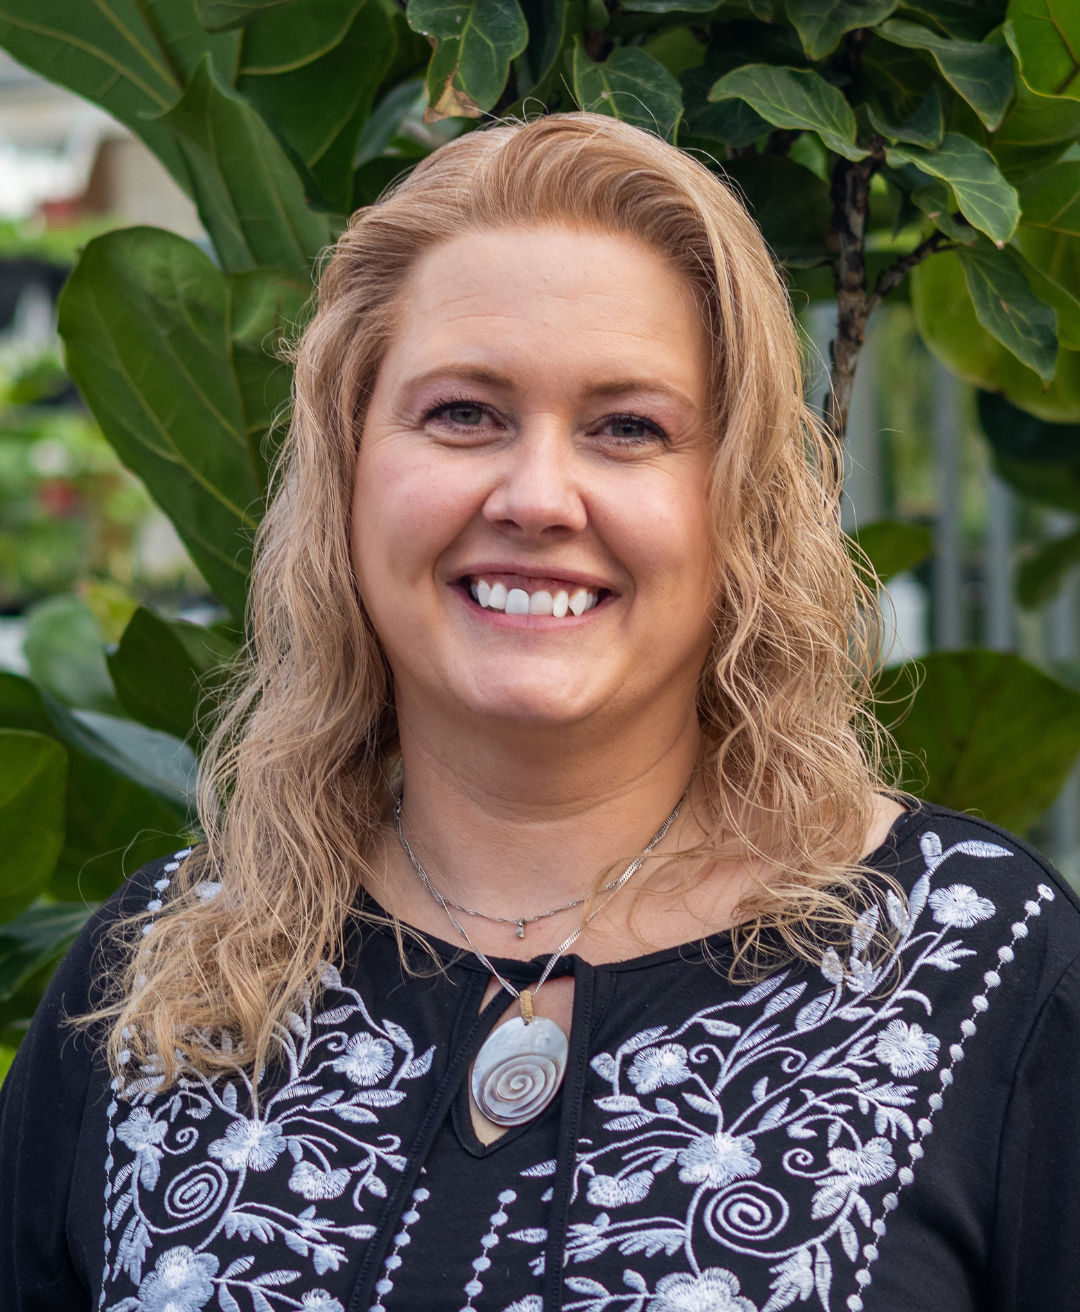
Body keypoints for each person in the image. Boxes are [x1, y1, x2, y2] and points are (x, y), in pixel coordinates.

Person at [1, 113, 1078, 1312]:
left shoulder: (976, 959)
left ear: (742, 505)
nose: (537, 496)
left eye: (629, 428)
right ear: (347, 470)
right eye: (464, 413)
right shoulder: (154, 982)